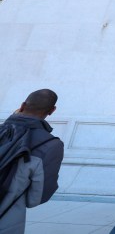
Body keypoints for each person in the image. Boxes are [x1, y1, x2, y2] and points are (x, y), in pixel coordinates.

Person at [0, 89, 64, 234]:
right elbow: (36, 198)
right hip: (8, 219)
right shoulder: (51, 145)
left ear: (22, 105)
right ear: (52, 111)